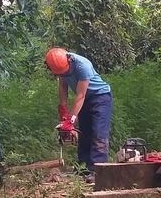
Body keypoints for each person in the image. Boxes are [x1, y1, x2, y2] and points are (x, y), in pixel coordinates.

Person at [45, 47, 113, 182]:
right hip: (84, 99)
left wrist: (70, 120)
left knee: (98, 134)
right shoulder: (59, 65)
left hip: (100, 97)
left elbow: (80, 95)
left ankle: (98, 171)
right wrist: (63, 110)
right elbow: (63, 87)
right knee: (84, 133)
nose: (63, 74)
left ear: (69, 60)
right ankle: (83, 168)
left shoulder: (83, 65)